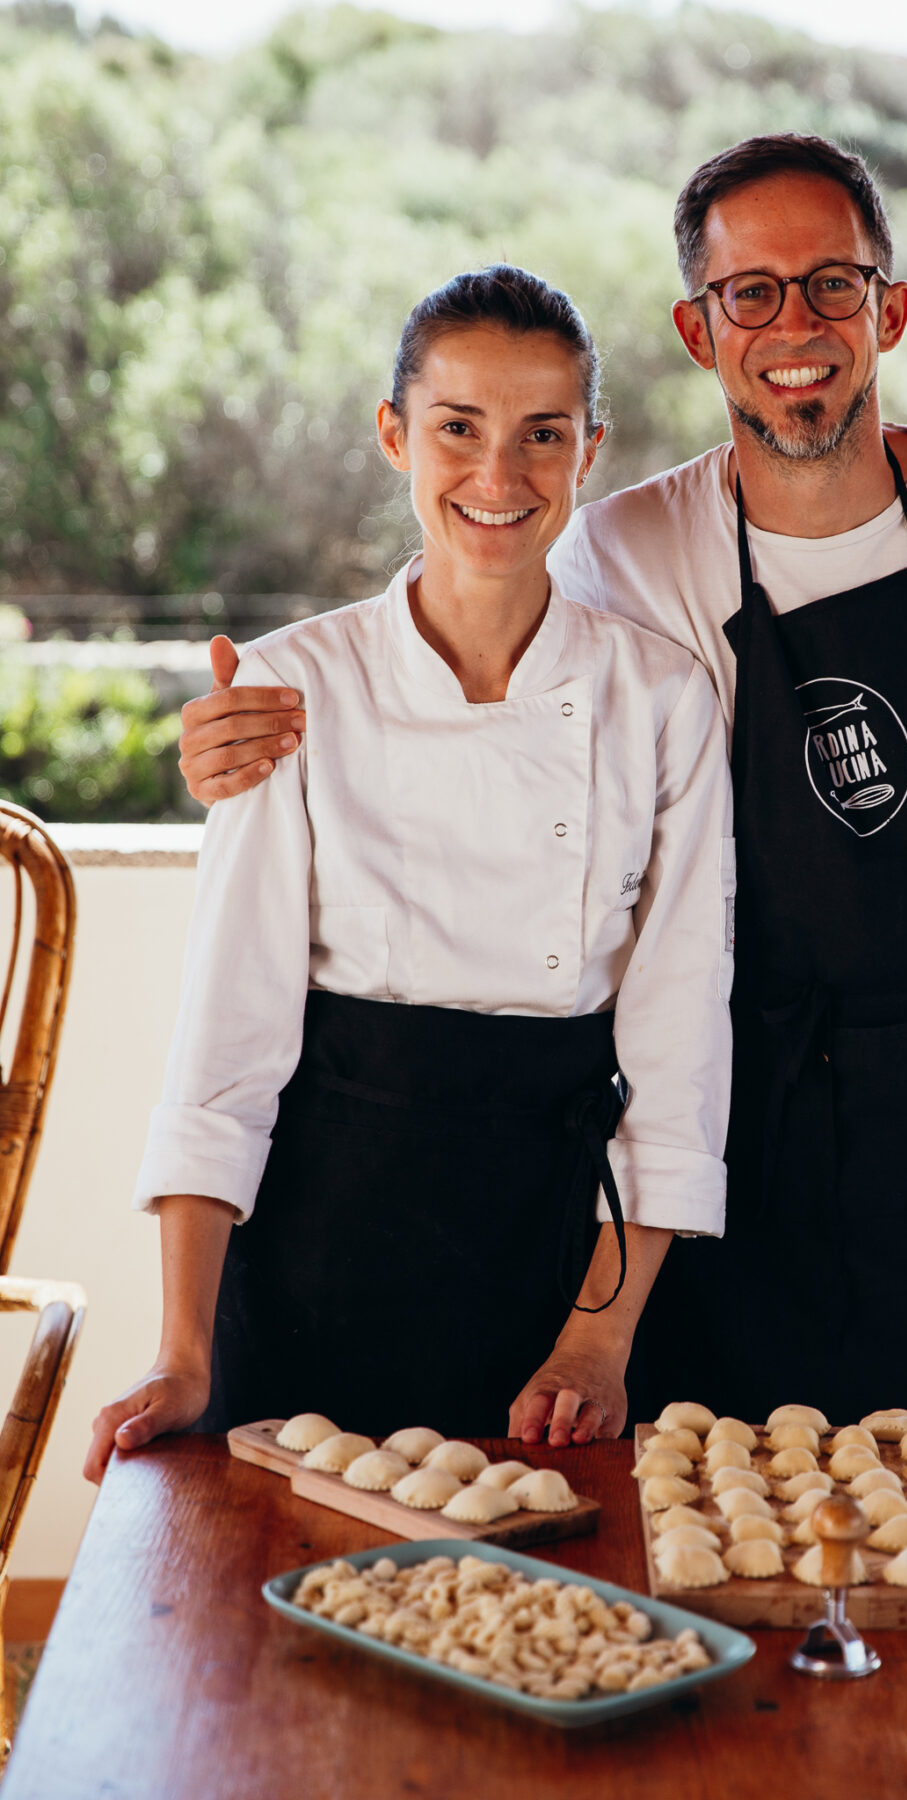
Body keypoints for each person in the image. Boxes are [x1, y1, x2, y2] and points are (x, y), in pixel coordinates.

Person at [173, 135, 907, 1430]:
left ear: (891, 309)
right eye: (751, 293)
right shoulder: (617, 550)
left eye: (832, 285)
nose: (794, 324)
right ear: (701, 332)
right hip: (718, 1151)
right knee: (702, 1552)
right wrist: (251, 735)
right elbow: (464, 664)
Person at [84, 266, 732, 1483]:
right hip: (318, 1247)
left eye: (543, 435)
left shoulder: (660, 700)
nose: (500, 478)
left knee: (544, 1632)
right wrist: (182, 1352)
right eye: (458, 430)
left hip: (556, 1258)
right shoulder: (290, 690)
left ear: (590, 451)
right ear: (396, 435)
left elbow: (678, 1040)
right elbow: (227, 1046)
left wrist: (600, 1342)